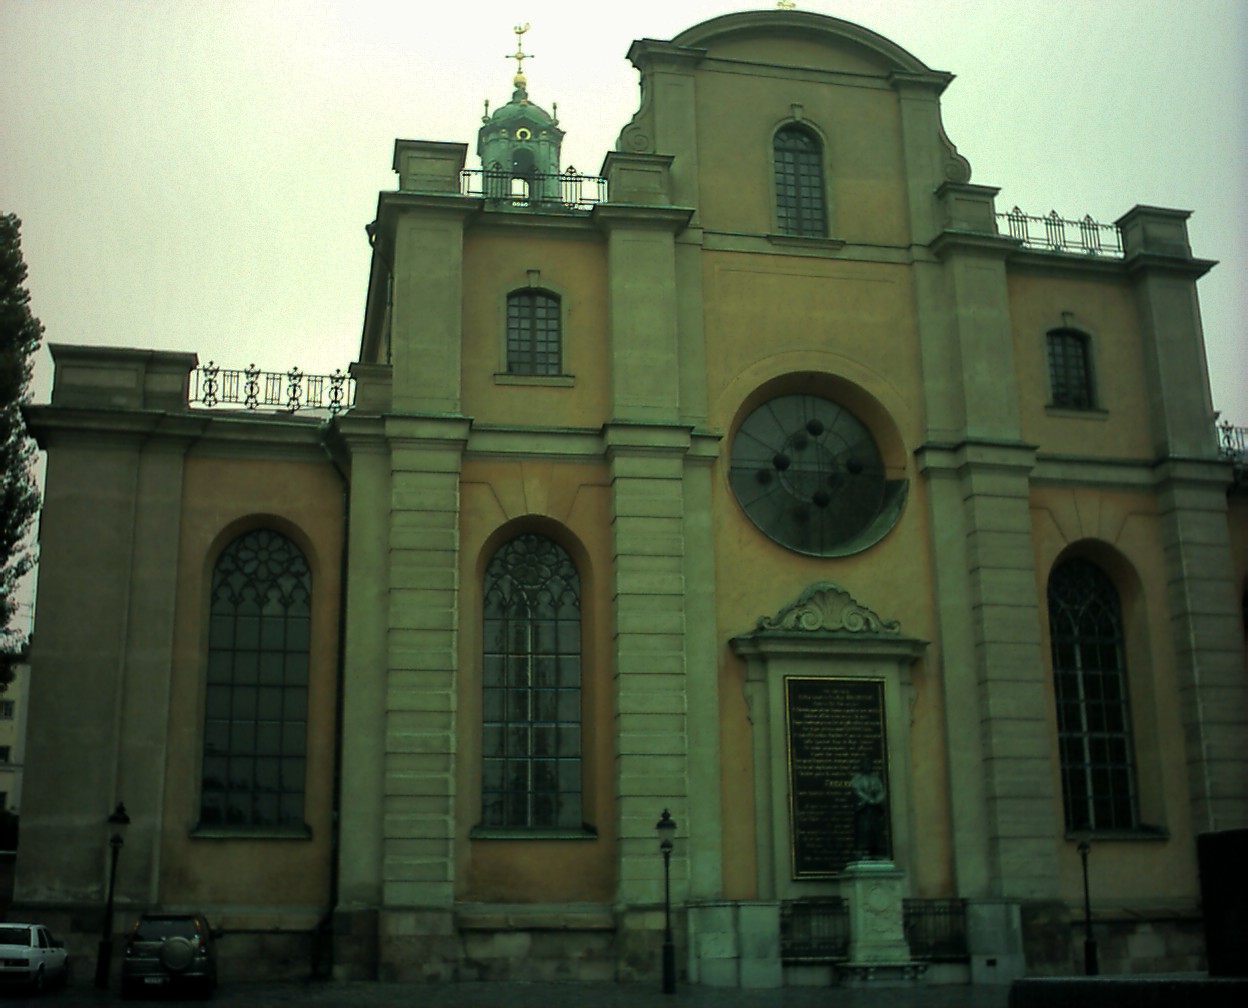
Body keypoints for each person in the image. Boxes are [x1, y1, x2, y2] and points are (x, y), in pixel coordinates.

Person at [851, 757, 887, 857]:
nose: (868, 766)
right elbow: (857, 791)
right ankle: (861, 850)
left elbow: (881, 791)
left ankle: (877, 851)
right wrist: (868, 799)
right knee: (863, 831)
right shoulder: (857, 779)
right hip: (863, 809)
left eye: (869, 764)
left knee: (876, 831)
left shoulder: (875, 778)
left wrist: (877, 800)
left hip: (875, 810)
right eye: (865, 764)